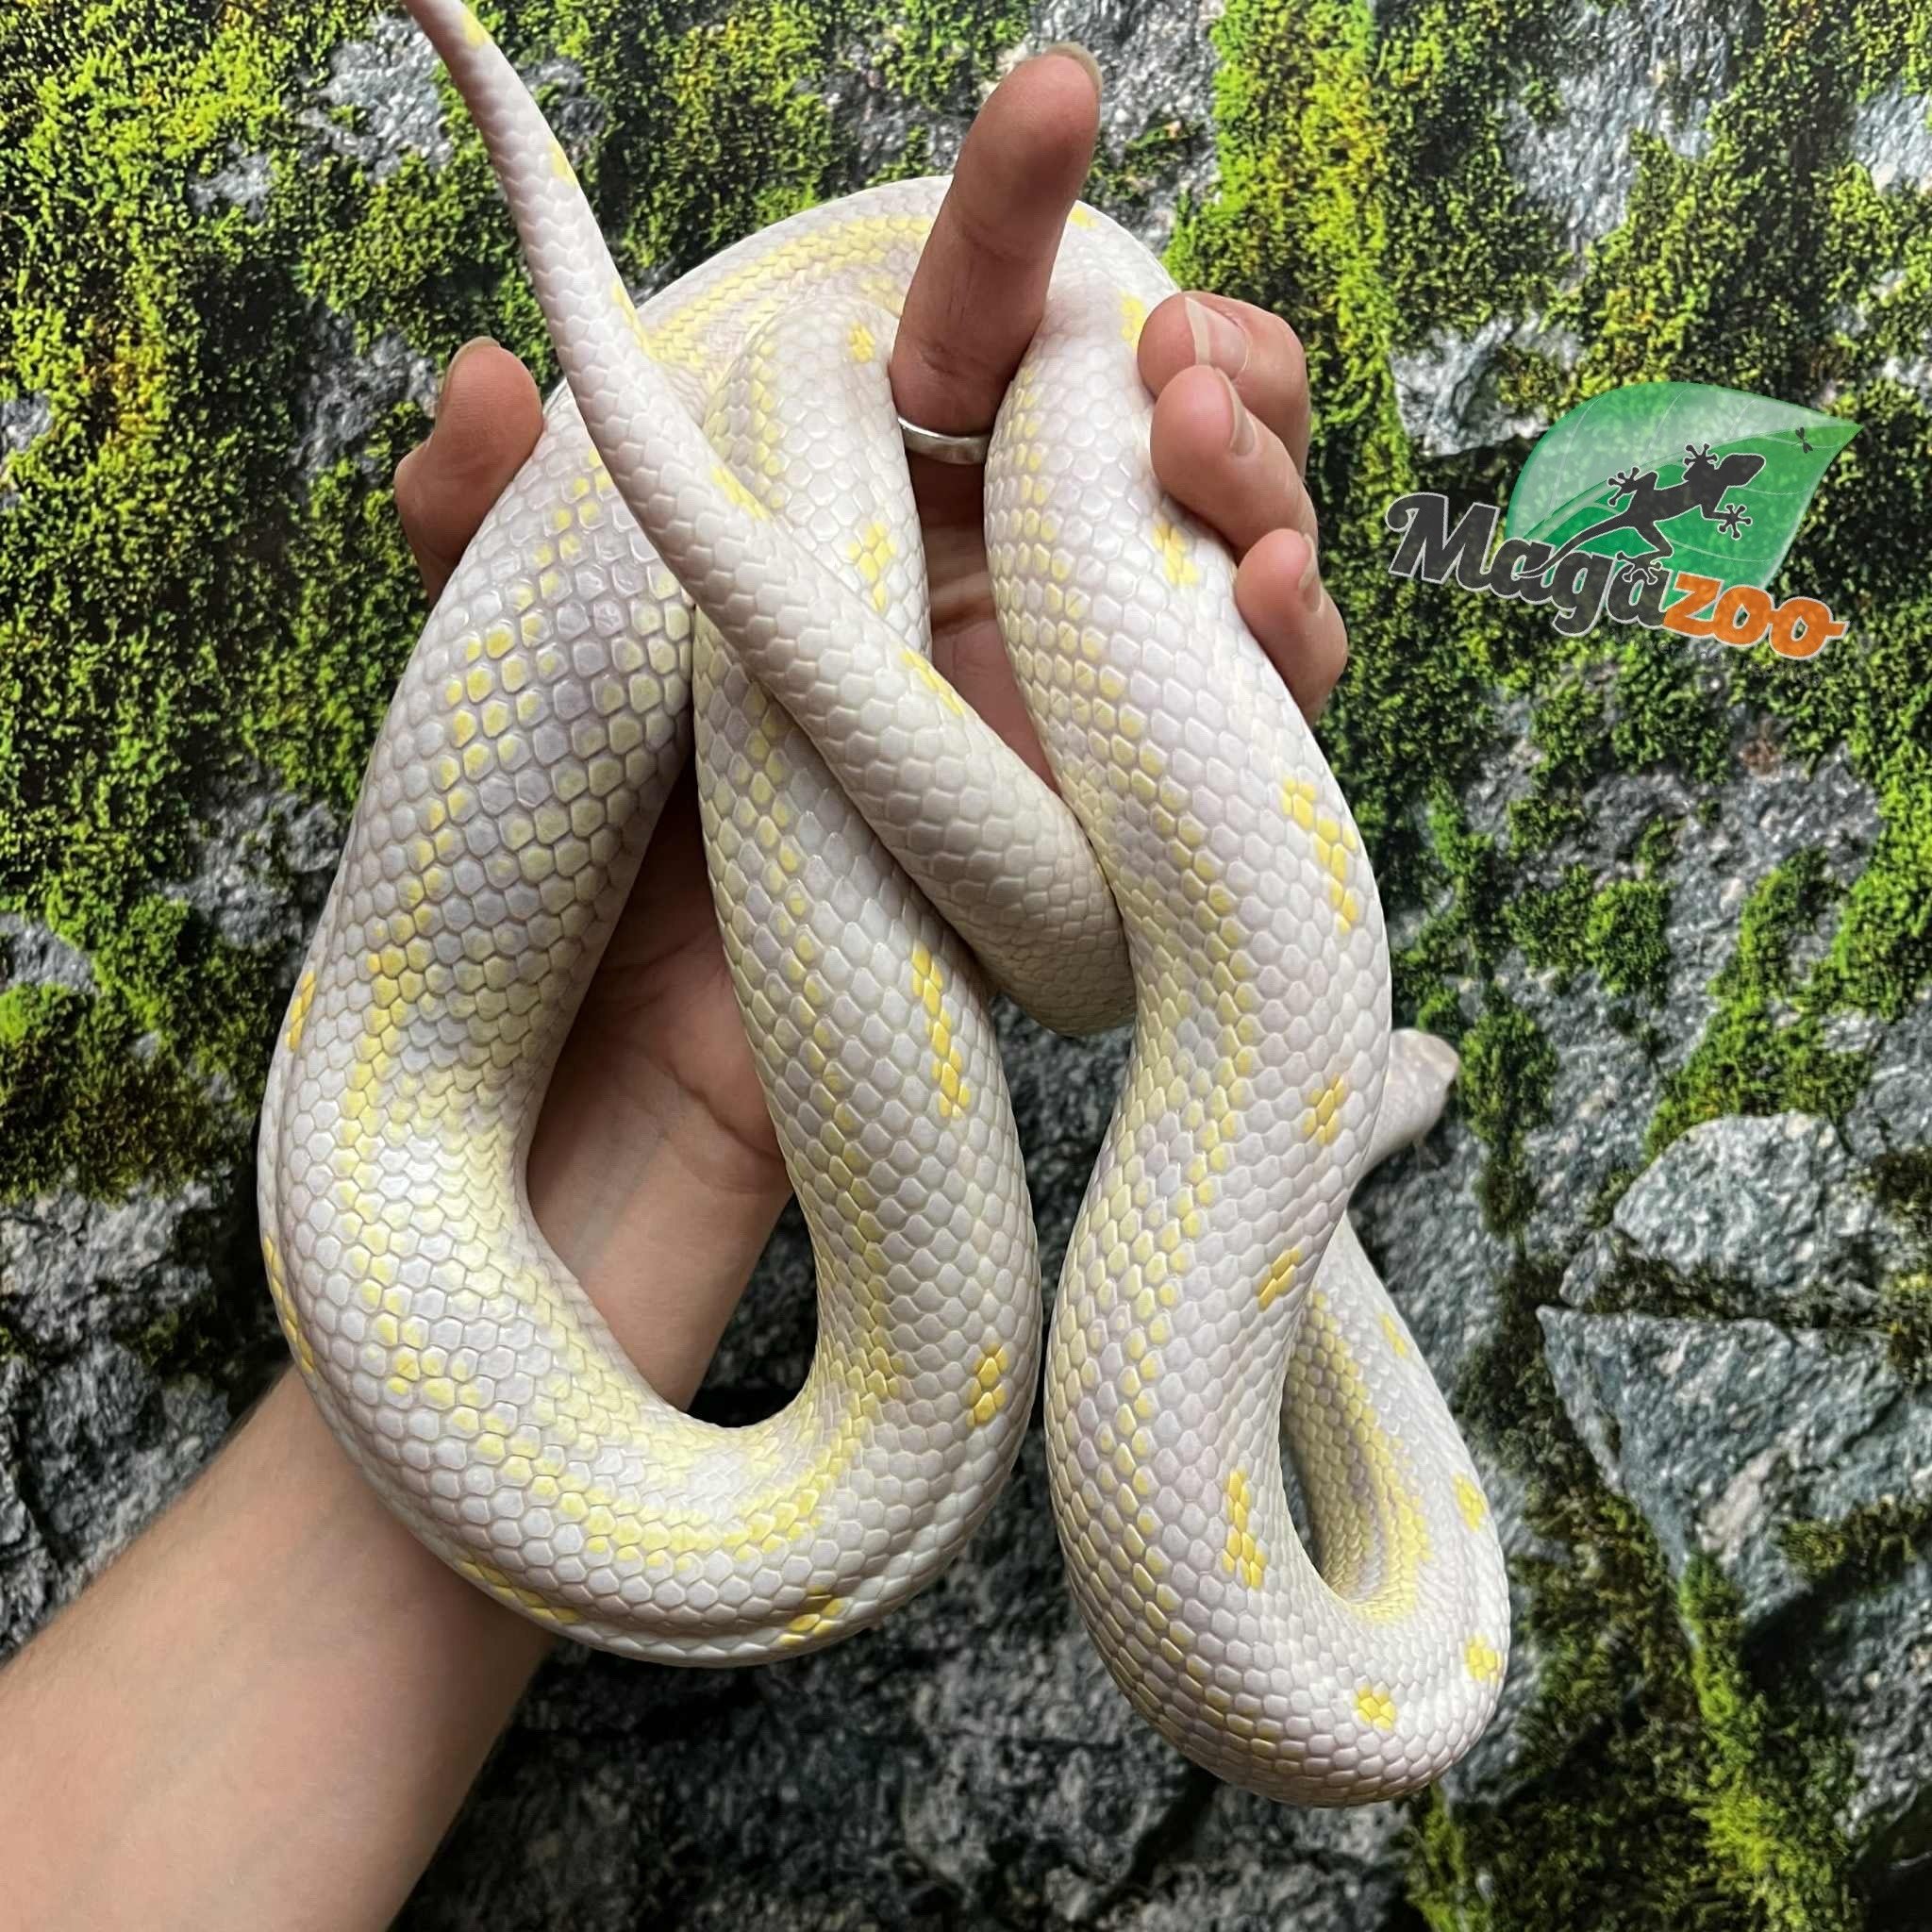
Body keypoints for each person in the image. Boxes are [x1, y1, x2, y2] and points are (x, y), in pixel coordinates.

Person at [0, 43, 1345, 1930]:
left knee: (1099, 368)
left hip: (808, 607)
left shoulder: (843, 377)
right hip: (811, 646)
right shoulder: (808, 376)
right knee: (1074, 392)